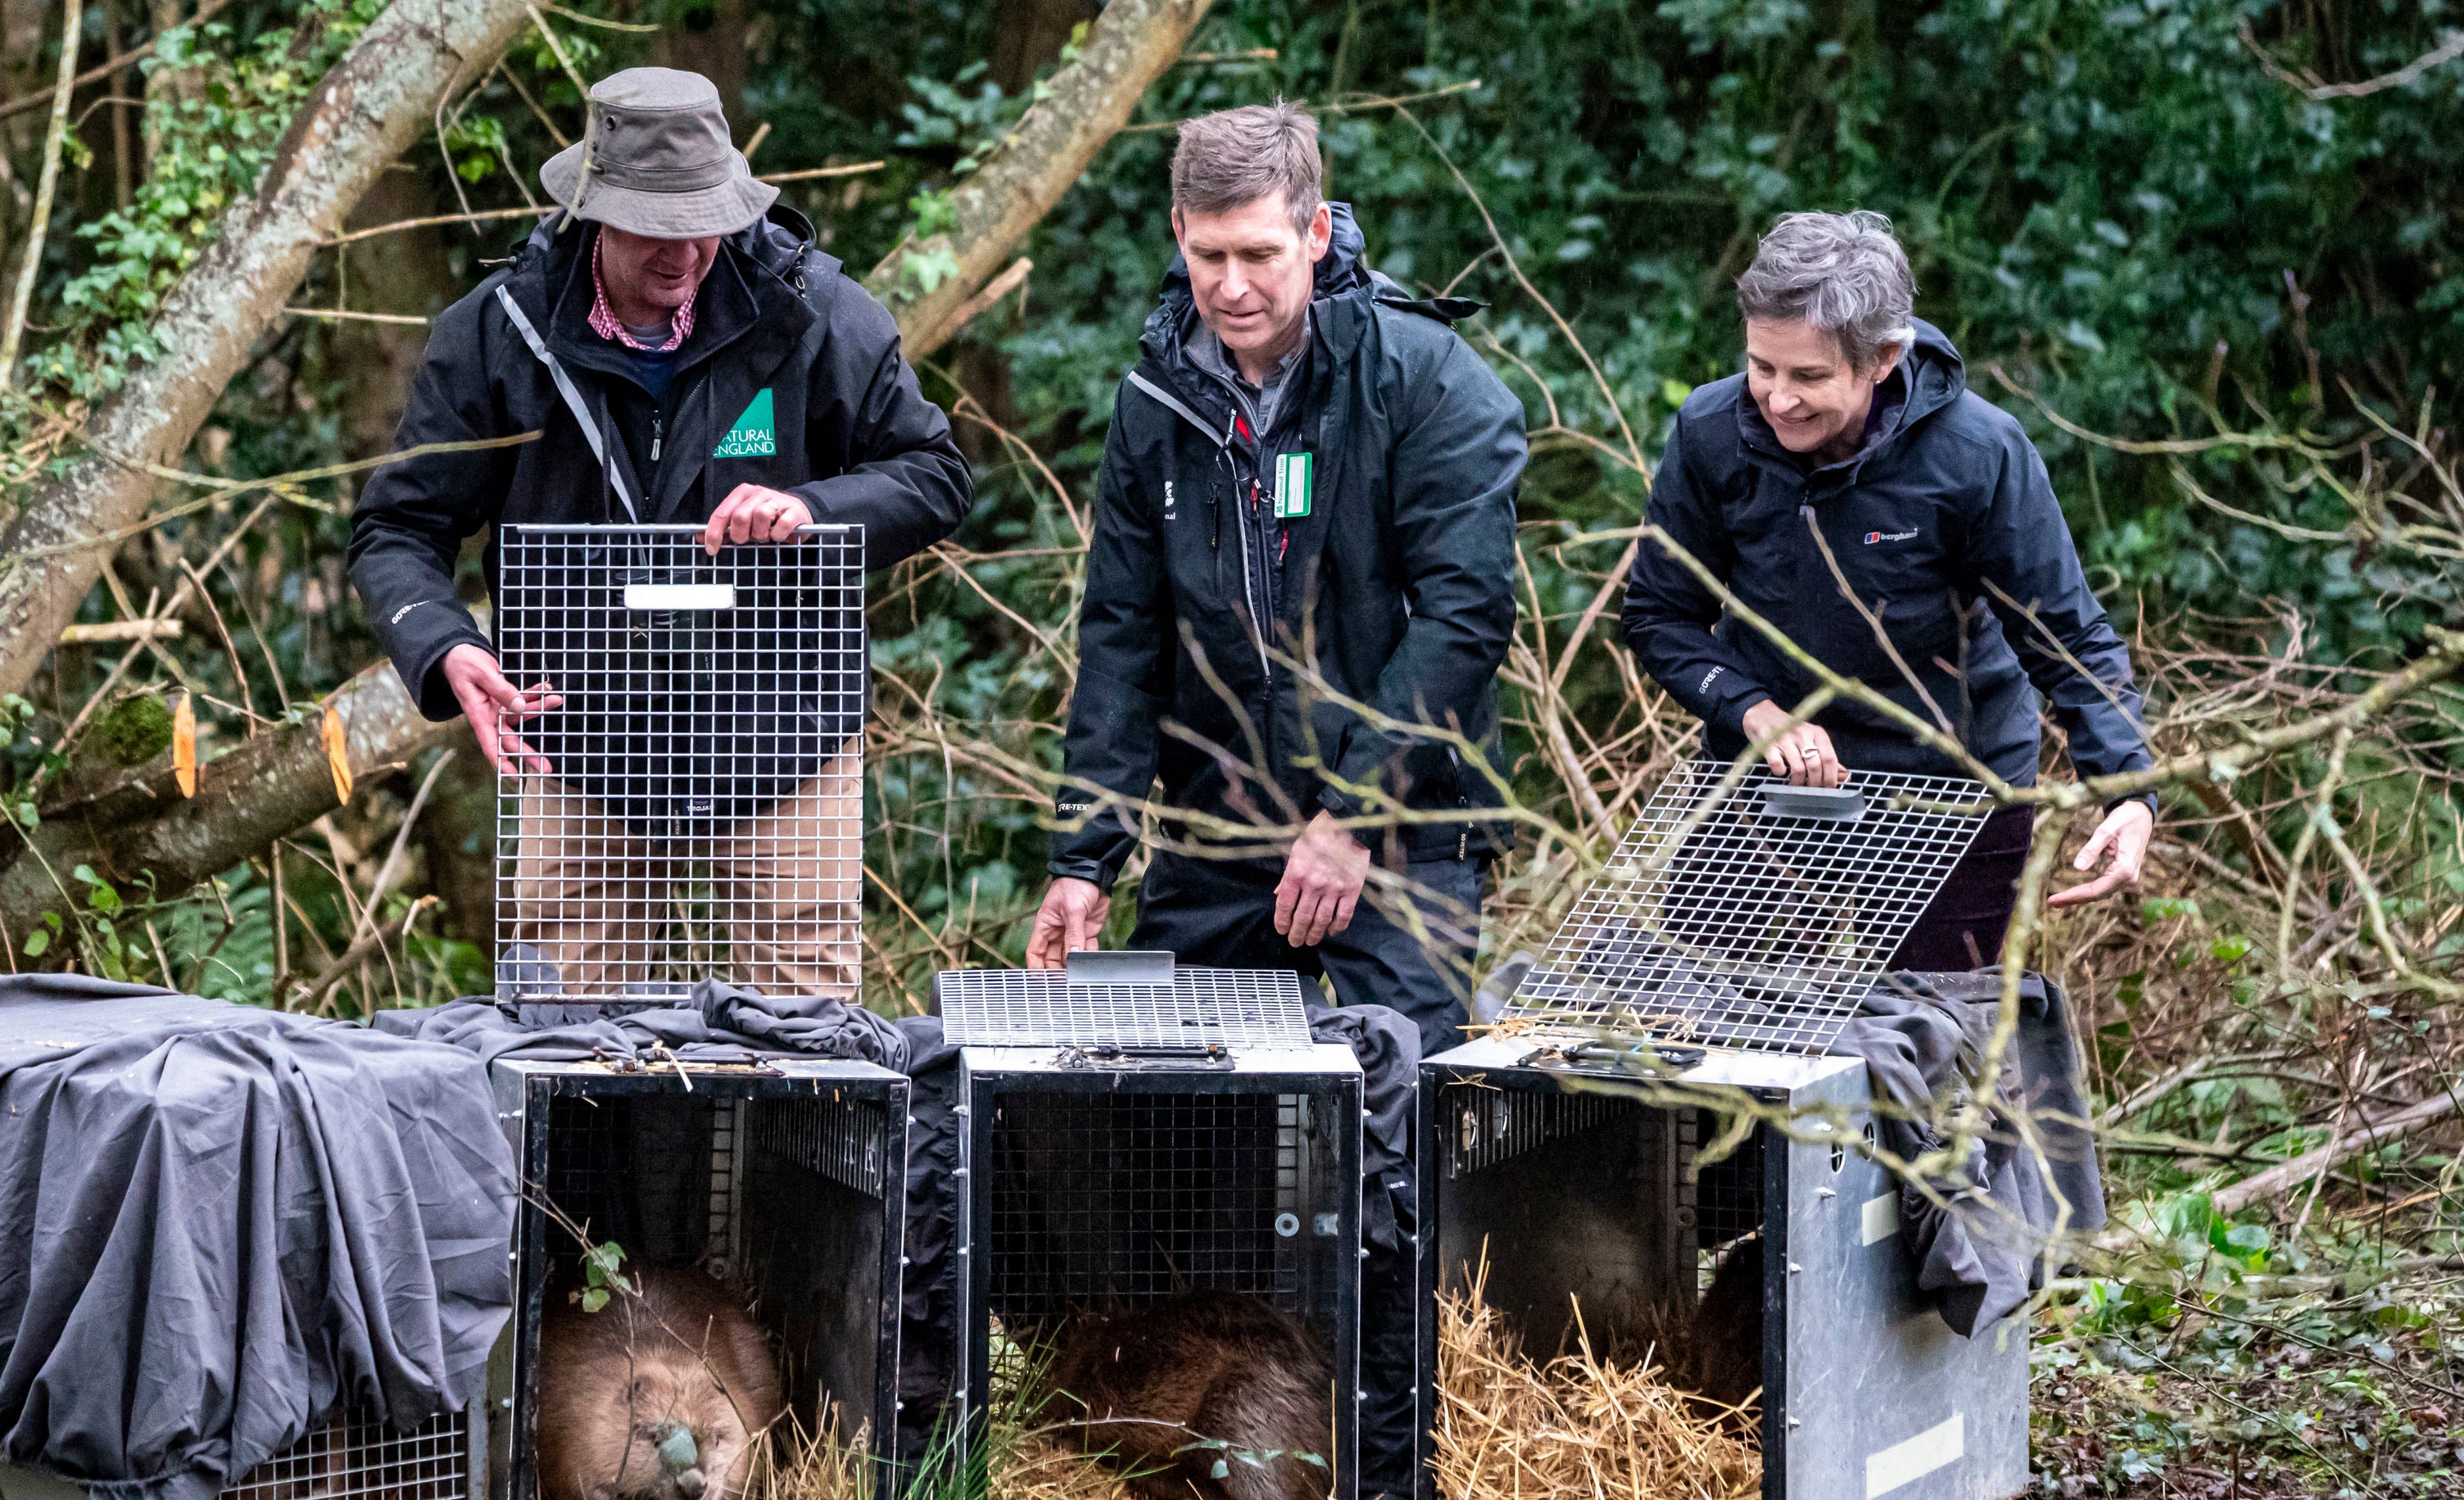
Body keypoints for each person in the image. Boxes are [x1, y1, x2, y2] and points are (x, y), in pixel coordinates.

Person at [349, 67, 971, 996]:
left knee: (804, 1050)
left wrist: (814, 510)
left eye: (704, 222)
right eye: (655, 227)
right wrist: (443, 648)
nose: (684, 253)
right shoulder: (497, 333)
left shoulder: (815, 313)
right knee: (567, 1049)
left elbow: (935, 475)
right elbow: (396, 526)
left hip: (781, 729)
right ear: (593, 211)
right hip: (579, 730)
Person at [1026, 102, 1529, 1056]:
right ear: (1178, 231)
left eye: (1259, 254)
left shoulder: (1427, 379)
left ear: (1316, 230)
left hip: (1400, 832)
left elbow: (1462, 617)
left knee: (1398, 1111)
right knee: (1178, 1120)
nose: (1231, 285)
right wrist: (1086, 855)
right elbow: (1122, 637)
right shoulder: (1154, 399)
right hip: (1221, 831)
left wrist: (1351, 814)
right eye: (1209, 255)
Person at [1621, 211, 2156, 970]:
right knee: (1707, 1026)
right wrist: (1752, 712)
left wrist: (2128, 790)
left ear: (1883, 358)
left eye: (1808, 377)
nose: (1777, 400)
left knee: (1929, 1041)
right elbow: (1658, 613)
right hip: (1767, 770)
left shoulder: (1976, 453)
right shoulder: (1711, 432)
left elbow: (2065, 637)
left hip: (1950, 785)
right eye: (1761, 367)